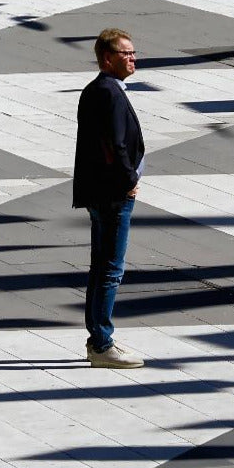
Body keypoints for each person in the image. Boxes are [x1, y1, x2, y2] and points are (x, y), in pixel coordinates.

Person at [72, 28, 145, 369]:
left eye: (133, 52)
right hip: (113, 195)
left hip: (99, 192)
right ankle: (102, 343)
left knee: (100, 268)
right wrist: (129, 179)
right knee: (111, 271)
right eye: (126, 53)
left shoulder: (96, 90)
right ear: (107, 58)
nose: (133, 58)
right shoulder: (110, 94)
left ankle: (98, 339)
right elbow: (114, 146)